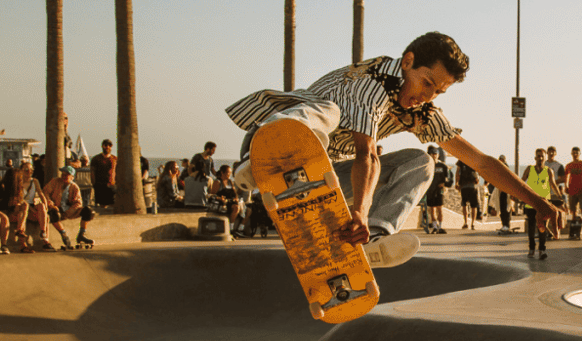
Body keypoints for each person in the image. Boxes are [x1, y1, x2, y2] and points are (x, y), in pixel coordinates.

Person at [228, 32, 561, 267]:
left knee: (422, 162)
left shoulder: (422, 113)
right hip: (268, 144)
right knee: (327, 112)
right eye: (427, 82)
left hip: (319, 178)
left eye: (439, 92)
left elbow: (481, 163)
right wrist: (358, 207)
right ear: (407, 62)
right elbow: (367, 155)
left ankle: (371, 239)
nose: (427, 95)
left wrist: (538, 202)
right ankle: (262, 163)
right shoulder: (373, 83)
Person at [522, 148, 563, 260]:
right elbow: (522, 182)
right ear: (535, 157)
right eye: (538, 156)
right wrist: (518, 195)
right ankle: (531, 248)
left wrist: (560, 197)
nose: (540, 158)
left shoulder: (548, 171)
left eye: (542, 156)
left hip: (544, 204)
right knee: (531, 227)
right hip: (531, 203)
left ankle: (542, 249)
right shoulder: (529, 169)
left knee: (543, 227)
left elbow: (553, 185)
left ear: (545, 158)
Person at [42, 165, 95, 249]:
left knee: (89, 211)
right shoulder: (55, 181)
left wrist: (68, 213)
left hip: (69, 211)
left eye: (66, 175)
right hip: (56, 208)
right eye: (62, 174)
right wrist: (50, 203)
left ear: (72, 177)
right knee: (53, 213)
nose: (63, 176)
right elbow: (45, 192)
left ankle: (81, 234)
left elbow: (78, 203)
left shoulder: (74, 187)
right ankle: (63, 234)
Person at [209, 164, 243, 237]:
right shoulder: (218, 182)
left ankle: (234, 228)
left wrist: (236, 198)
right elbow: (212, 195)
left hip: (230, 202)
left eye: (230, 173)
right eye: (228, 172)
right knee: (236, 207)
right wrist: (220, 198)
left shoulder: (230, 182)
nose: (229, 174)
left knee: (238, 207)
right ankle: (232, 229)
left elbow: (235, 193)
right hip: (221, 203)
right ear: (222, 172)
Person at [423, 145, 449, 234]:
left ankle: (440, 227)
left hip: (439, 190)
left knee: (439, 209)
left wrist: (444, 184)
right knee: (432, 209)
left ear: (438, 155)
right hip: (430, 190)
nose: (433, 155)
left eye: (435, 154)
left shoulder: (443, 166)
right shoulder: (427, 166)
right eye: (432, 154)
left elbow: (449, 178)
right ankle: (435, 227)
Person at [544, 147, 567, 232]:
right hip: (544, 192)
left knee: (557, 212)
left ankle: (557, 230)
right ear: (547, 153)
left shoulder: (558, 166)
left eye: (553, 152)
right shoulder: (543, 164)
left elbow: (563, 179)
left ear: (555, 154)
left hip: (554, 192)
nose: (551, 154)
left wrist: (553, 181)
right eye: (550, 152)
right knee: (545, 212)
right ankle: (547, 232)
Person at [490, 154, 513, 235]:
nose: (500, 160)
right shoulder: (498, 167)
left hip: (505, 191)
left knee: (506, 209)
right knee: (501, 209)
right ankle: (504, 225)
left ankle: (506, 225)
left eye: (501, 159)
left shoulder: (505, 167)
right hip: (500, 191)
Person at [91, 140, 117, 208]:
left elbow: (118, 171)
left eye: (109, 145)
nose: (107, 147)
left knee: (113, 204)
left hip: (112, 185)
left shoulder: (115, 159)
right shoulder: (96, 159)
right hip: (100, 185)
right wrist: (94, 183)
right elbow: (92, 171)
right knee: (102, 205)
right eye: (105, 145)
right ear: (102, 146)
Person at [455, 158, 479, 230]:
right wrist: (456, 183)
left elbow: (457, 172)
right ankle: (470, 223)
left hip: (469, 185)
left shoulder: (465, 160)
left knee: (469, 205)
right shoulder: (464, 160)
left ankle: (469, 223)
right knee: (469, 205)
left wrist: (456, 183)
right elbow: (458, 172)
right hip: (468, 185)